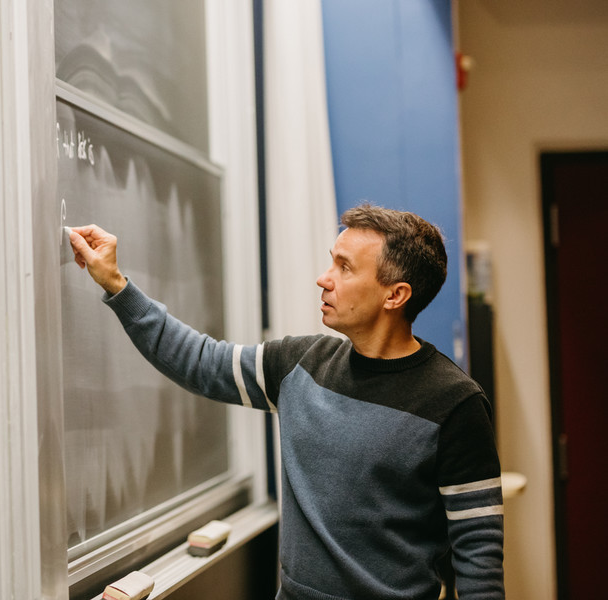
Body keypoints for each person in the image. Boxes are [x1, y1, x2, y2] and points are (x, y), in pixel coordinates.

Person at [67, 203, 504, 600]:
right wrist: (116, 284)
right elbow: (197, 360)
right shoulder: (300, 364)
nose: (324, 278)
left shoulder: (454, 403)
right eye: (332, 261)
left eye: (344, 267)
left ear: (395, 295)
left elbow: (478, 557)